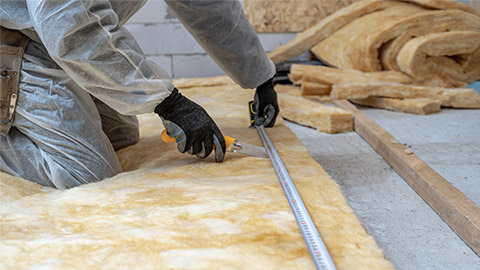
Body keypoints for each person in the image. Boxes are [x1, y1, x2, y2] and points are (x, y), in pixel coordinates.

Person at [0, 0, 279, 189]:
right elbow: (68, 25)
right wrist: (171, 104)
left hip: (55, 40)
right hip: (15, 41)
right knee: (86, 175)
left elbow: (208, 5)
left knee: (123, 137)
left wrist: (260, 77)